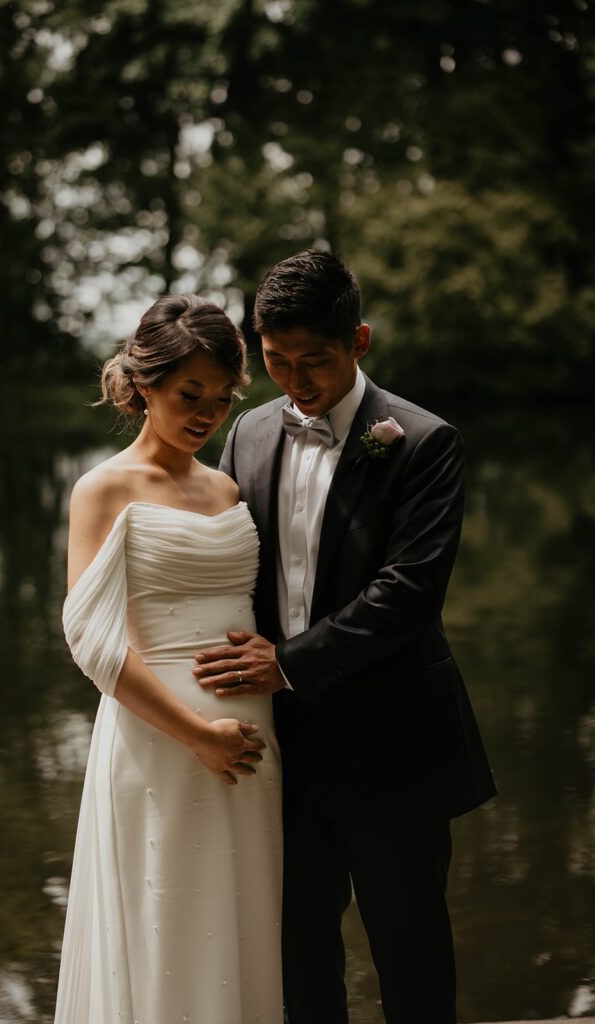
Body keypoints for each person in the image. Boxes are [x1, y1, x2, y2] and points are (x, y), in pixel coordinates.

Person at [192, 249, 497, 1024]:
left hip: (395, 743)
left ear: (357, 343)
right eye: (274, 362)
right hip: (281, 751)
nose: (294, 383)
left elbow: (409, 594)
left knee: (410, 953)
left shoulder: (423, 443)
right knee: (295, 954)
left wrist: (287, 663)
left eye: (313, 362)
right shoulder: (248, 436)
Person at [54, 294, 284, 1024]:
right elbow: (92, 642)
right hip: (162, 744)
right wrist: (198, 735)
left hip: (250, 748)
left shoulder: (225, 487)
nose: (207, 415)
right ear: (142, 384)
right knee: (168, 926)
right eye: (190, 395)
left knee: (241, 922)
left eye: (221, 400)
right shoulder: (103, 488)